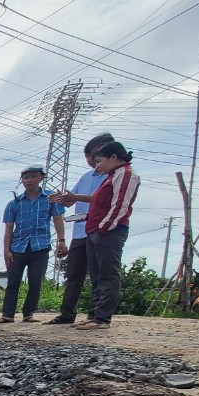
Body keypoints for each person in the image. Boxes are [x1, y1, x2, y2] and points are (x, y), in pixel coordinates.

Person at [49, 133, 115, 325]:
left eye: (94, 156)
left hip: (101, 230)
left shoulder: (113, 177)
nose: (90, 161)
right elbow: (71, 201)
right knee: (73, 275)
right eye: (88, 156)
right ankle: (67, 314)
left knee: (99, 274)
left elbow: (103, 201)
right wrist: (62, 198)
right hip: (80, 231)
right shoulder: (86, 177)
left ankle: (96, 315)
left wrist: (76, 198)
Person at [77, 141, 140, 329]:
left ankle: (102, 318)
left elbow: (120, 205)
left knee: (108, 274)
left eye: (99, 161)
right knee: (96, 275)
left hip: (109, 231)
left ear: (113, 157)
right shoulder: (111, 176)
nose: (97, 166)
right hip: (95, 229)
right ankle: (94, 315)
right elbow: (102, 204)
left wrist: (103, 227)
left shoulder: (127, 175)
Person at [0, 166, 66, 323]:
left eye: (33, 176)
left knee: (35, 282)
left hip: (40, 246)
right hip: (18, 246)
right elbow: (8, 229)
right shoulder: (14, 203)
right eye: (26, 178)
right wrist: (6, 250)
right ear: (22, 181)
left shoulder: (50, 199)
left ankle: (29, 313)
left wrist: (62, 240)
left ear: (41, 178)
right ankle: (7, 314)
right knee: (13, 282)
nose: (29, 180)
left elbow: (58, 219)